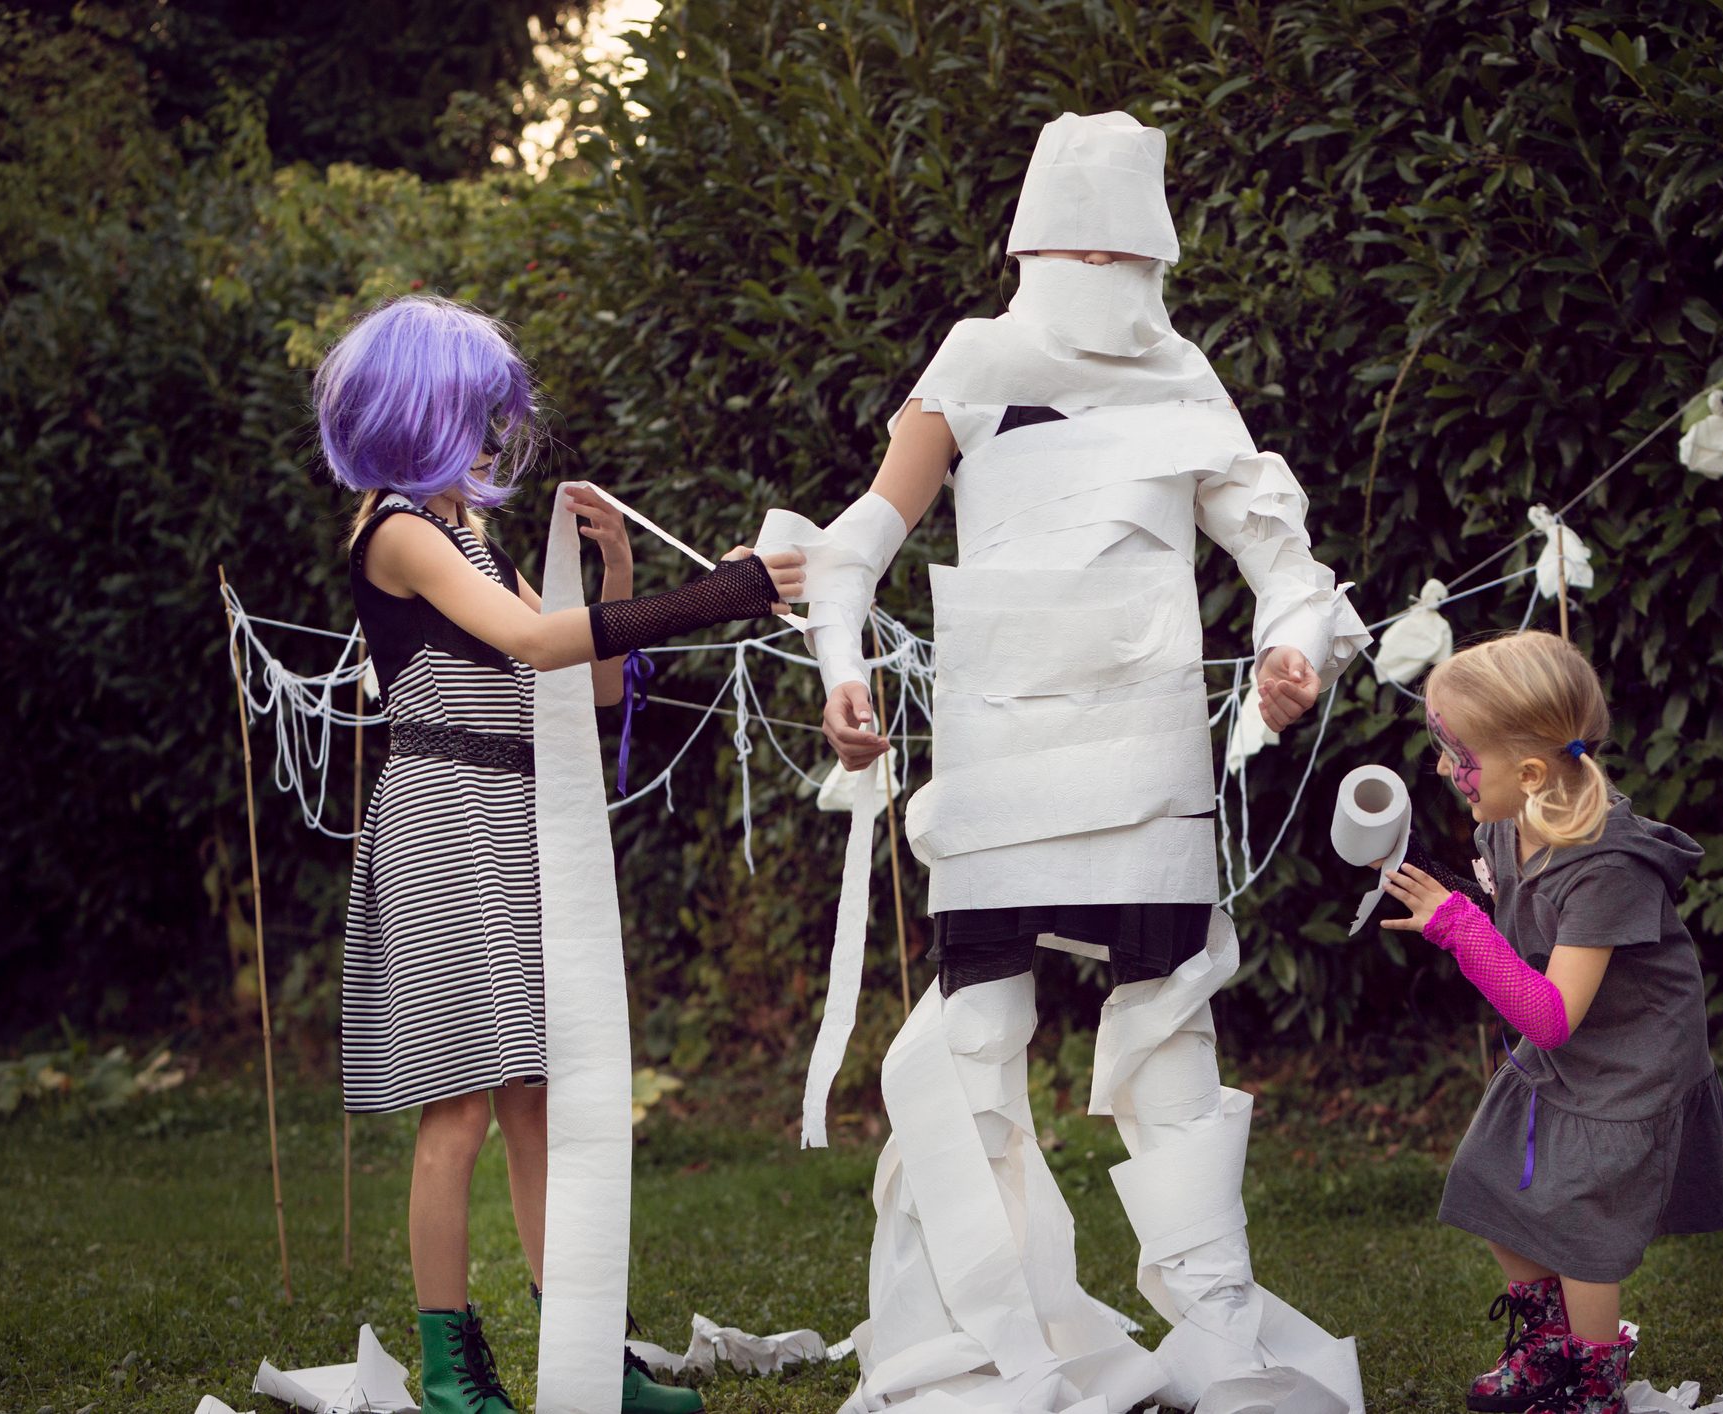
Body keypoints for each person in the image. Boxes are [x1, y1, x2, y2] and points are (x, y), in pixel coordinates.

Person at [764, 112, 1369, 1413]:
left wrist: (1291, 646)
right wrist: (843, 671)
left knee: (1169, 1038)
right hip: (1000, 769)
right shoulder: (980, 356)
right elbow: (862, 538)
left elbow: (1278, 549)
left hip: (1147, 770)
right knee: (974, 1038)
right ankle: (988, 1334)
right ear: (1042, 238)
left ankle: (1217, 1330)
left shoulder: (1178, 370)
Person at [319, 295, 802, 1414]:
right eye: (477, 409)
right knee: (463, 1106)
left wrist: (624, 574)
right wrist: (722, 592)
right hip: (444, 815)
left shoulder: (465, 533)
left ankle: (583, 1360)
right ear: (423, 408)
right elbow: (538, 640)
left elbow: (576, 681)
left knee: (535, 1095)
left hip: (508, 813)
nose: (492, 433)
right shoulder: (394, 528)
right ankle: (451, 1376)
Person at [1375, 631, 1723, 1414]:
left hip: (1628, 1065)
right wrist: (1459, 912)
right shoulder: (1504, 830)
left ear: (1531, 772)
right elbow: (1521, 955)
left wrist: (1461, 929)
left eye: (1457, 752)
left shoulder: (1605, 867)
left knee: (1581, 1230)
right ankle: (1546, 1349)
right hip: (1566, 1056)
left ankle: (1592, 1383)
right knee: (1487, 1182)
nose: (1445, 769)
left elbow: (1545, 1016)